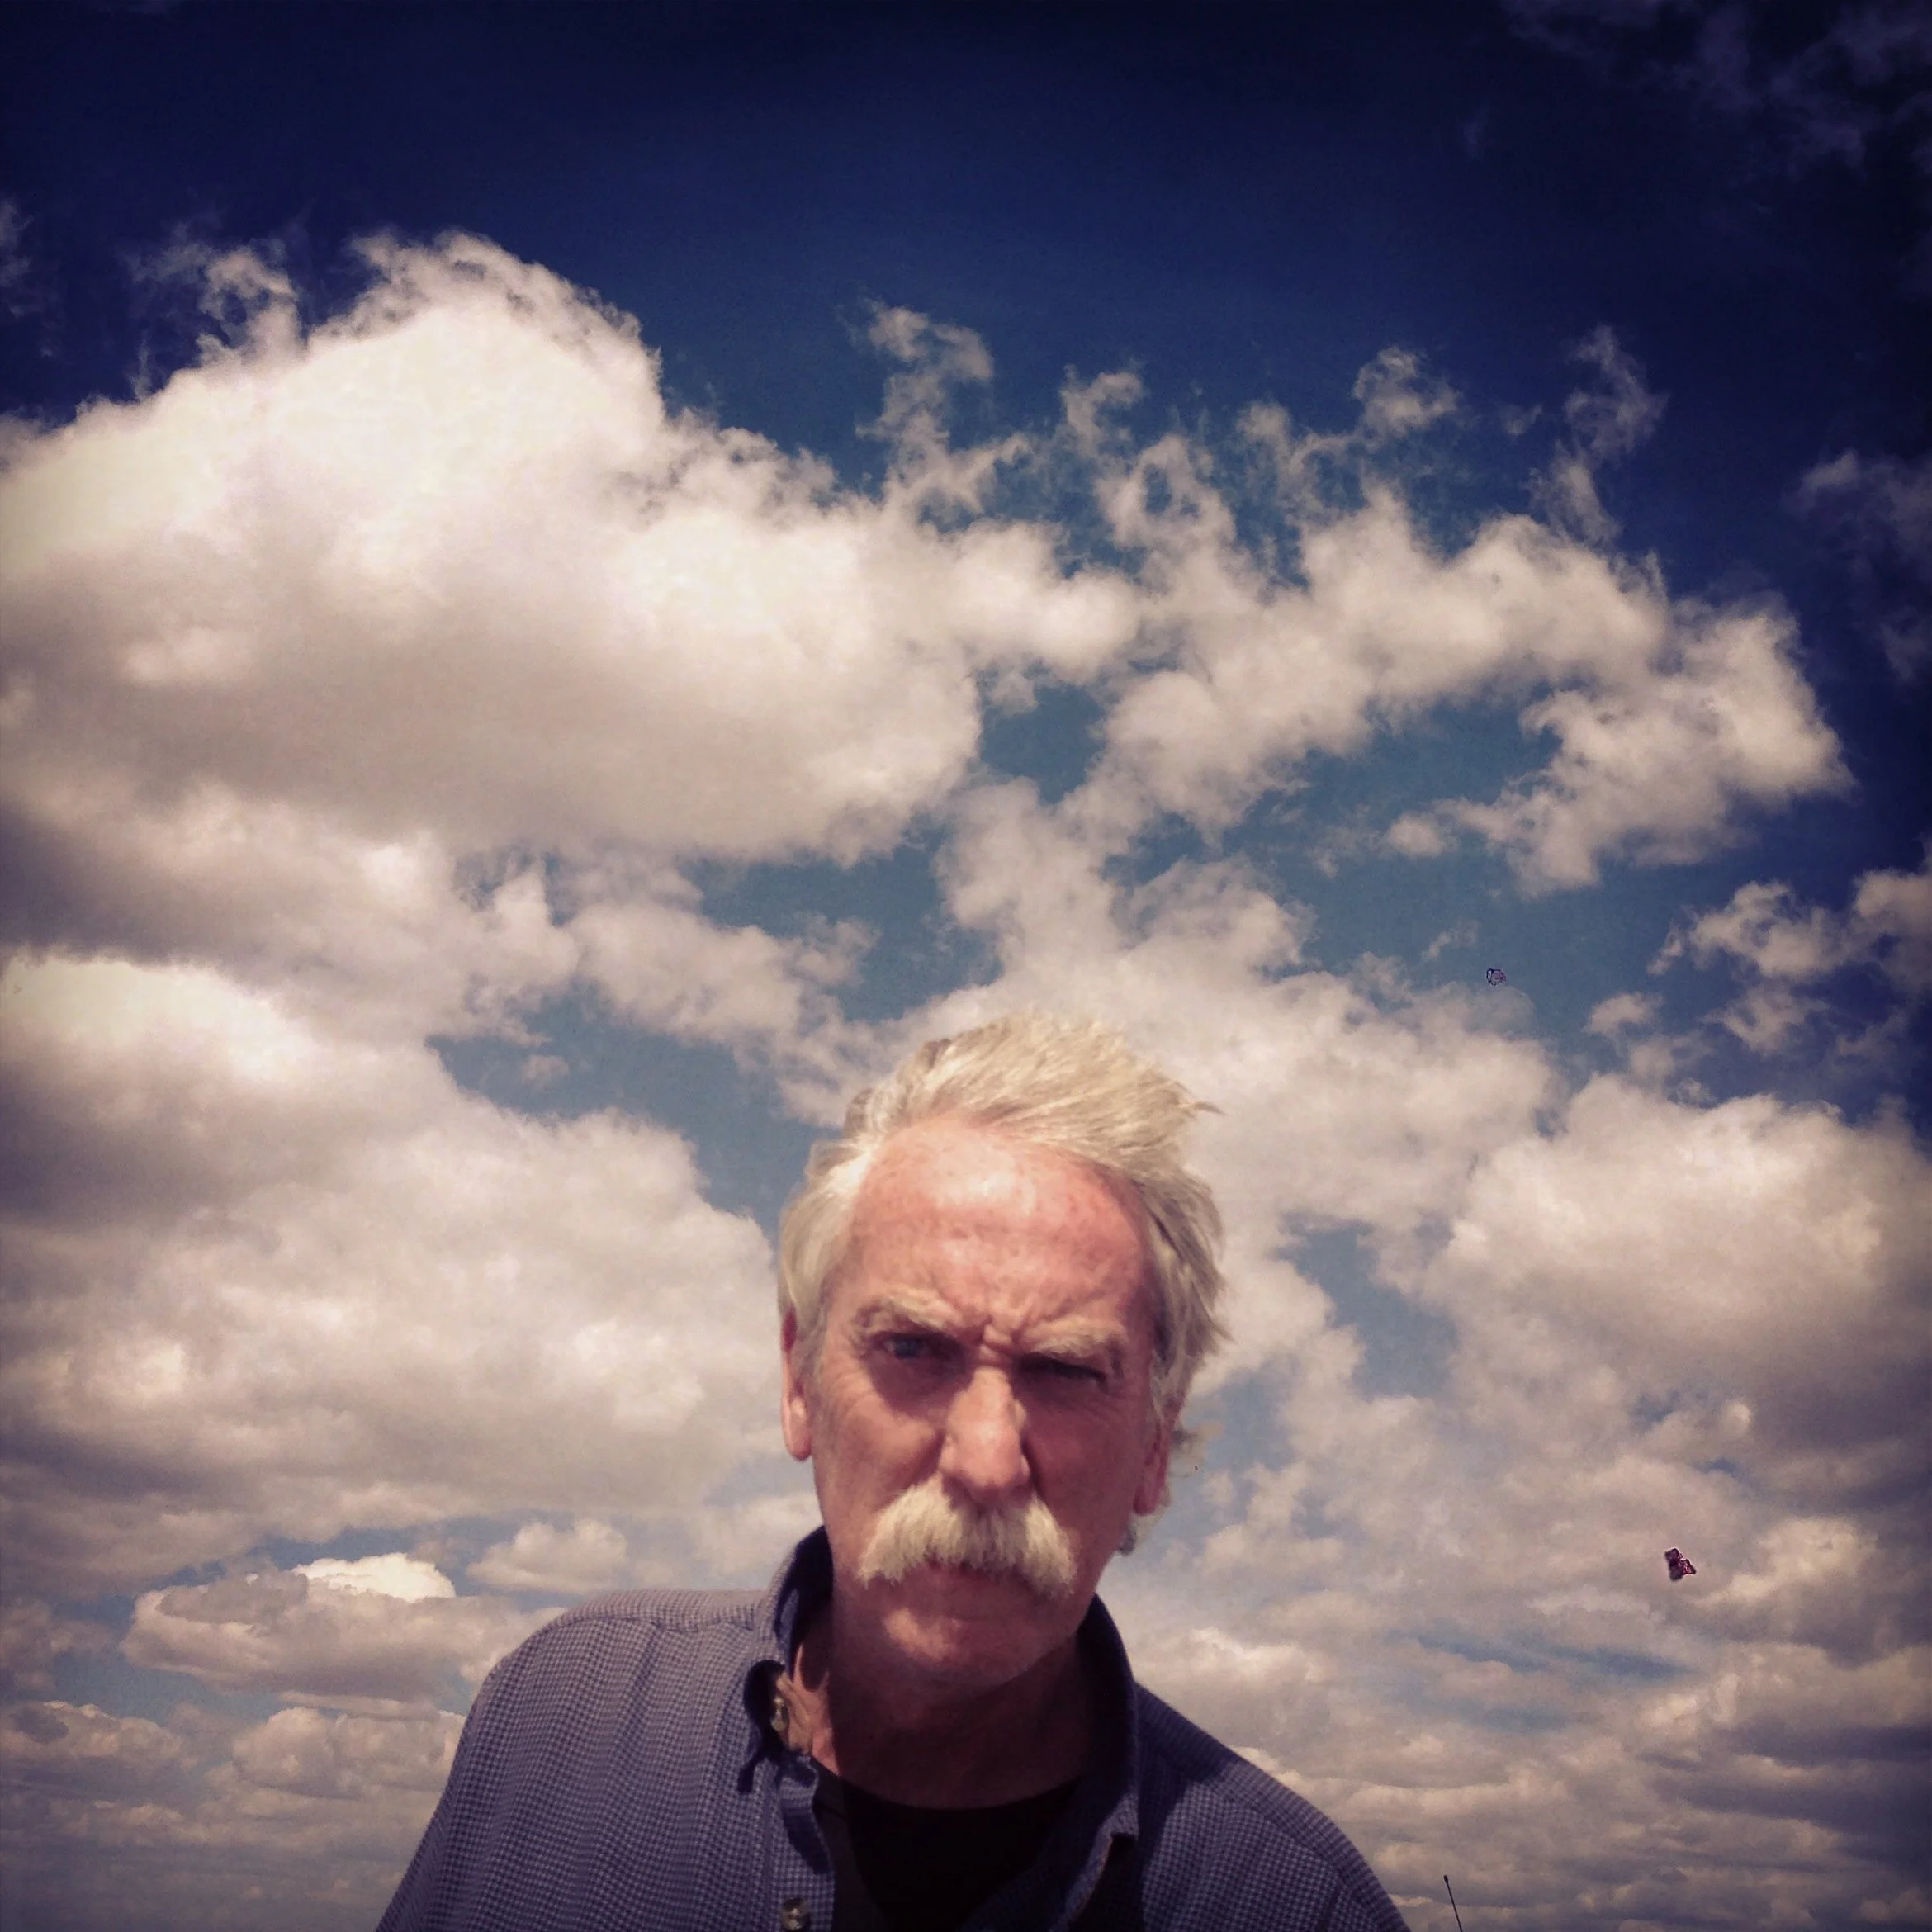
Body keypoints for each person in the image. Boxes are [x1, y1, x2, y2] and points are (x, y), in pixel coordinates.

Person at [378, 1012, 1410, 1932]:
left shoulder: (1293, 1905)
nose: (987, 1460)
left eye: (1063, 1369)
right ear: (798, 1380)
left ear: (1153, 1445)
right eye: (914, 1349)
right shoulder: (562, 1714)